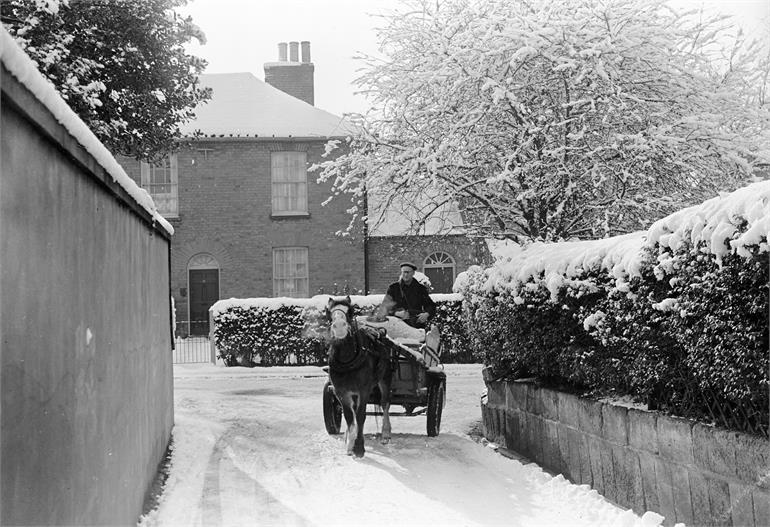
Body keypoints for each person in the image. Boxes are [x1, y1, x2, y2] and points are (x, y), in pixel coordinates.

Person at [383, 262, 436, 328]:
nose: (405, 275)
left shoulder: (420, 289)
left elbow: (430, 305)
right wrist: (396, 313)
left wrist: (427, 314)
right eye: (403, 272)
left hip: (416, 325)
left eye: (408, 272)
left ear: (413, 273)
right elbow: (385, 308)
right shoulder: (393, 288)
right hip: (397, 326)